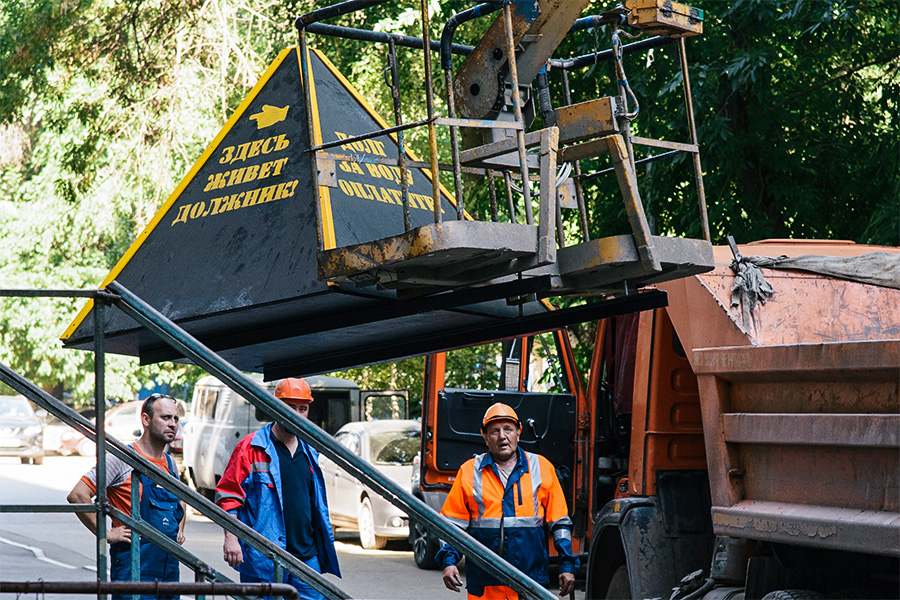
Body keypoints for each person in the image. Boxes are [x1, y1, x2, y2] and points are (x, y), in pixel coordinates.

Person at [215, 377, 341, 600]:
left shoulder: (310, 448)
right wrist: (231, 538)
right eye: (290, 407)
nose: (297, 414)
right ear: (275, 407)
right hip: (264, 554)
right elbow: (228, 495)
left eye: (303, 408)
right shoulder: (251, 447)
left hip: (305, 554)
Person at [437, 403, 579, 600]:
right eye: (494, 431)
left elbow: (560, 523)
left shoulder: (541, 467)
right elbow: (451, 525)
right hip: (485, 583)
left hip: (530, 582)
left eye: (508, 429)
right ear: (484, 436)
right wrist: (449, 562)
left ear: (518, 433)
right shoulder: (469, 471)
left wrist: (566, 566)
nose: (502, 436)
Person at [67, 393, 186, 600]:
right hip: (135, 565)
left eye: (175, 419)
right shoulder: (121, 459)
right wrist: (105, 532)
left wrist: (179, 529)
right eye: (165, 418)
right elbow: (78, 495)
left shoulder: (170, 464)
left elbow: (181, 499)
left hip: (168, 566)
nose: (172, 424)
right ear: (146, 420)